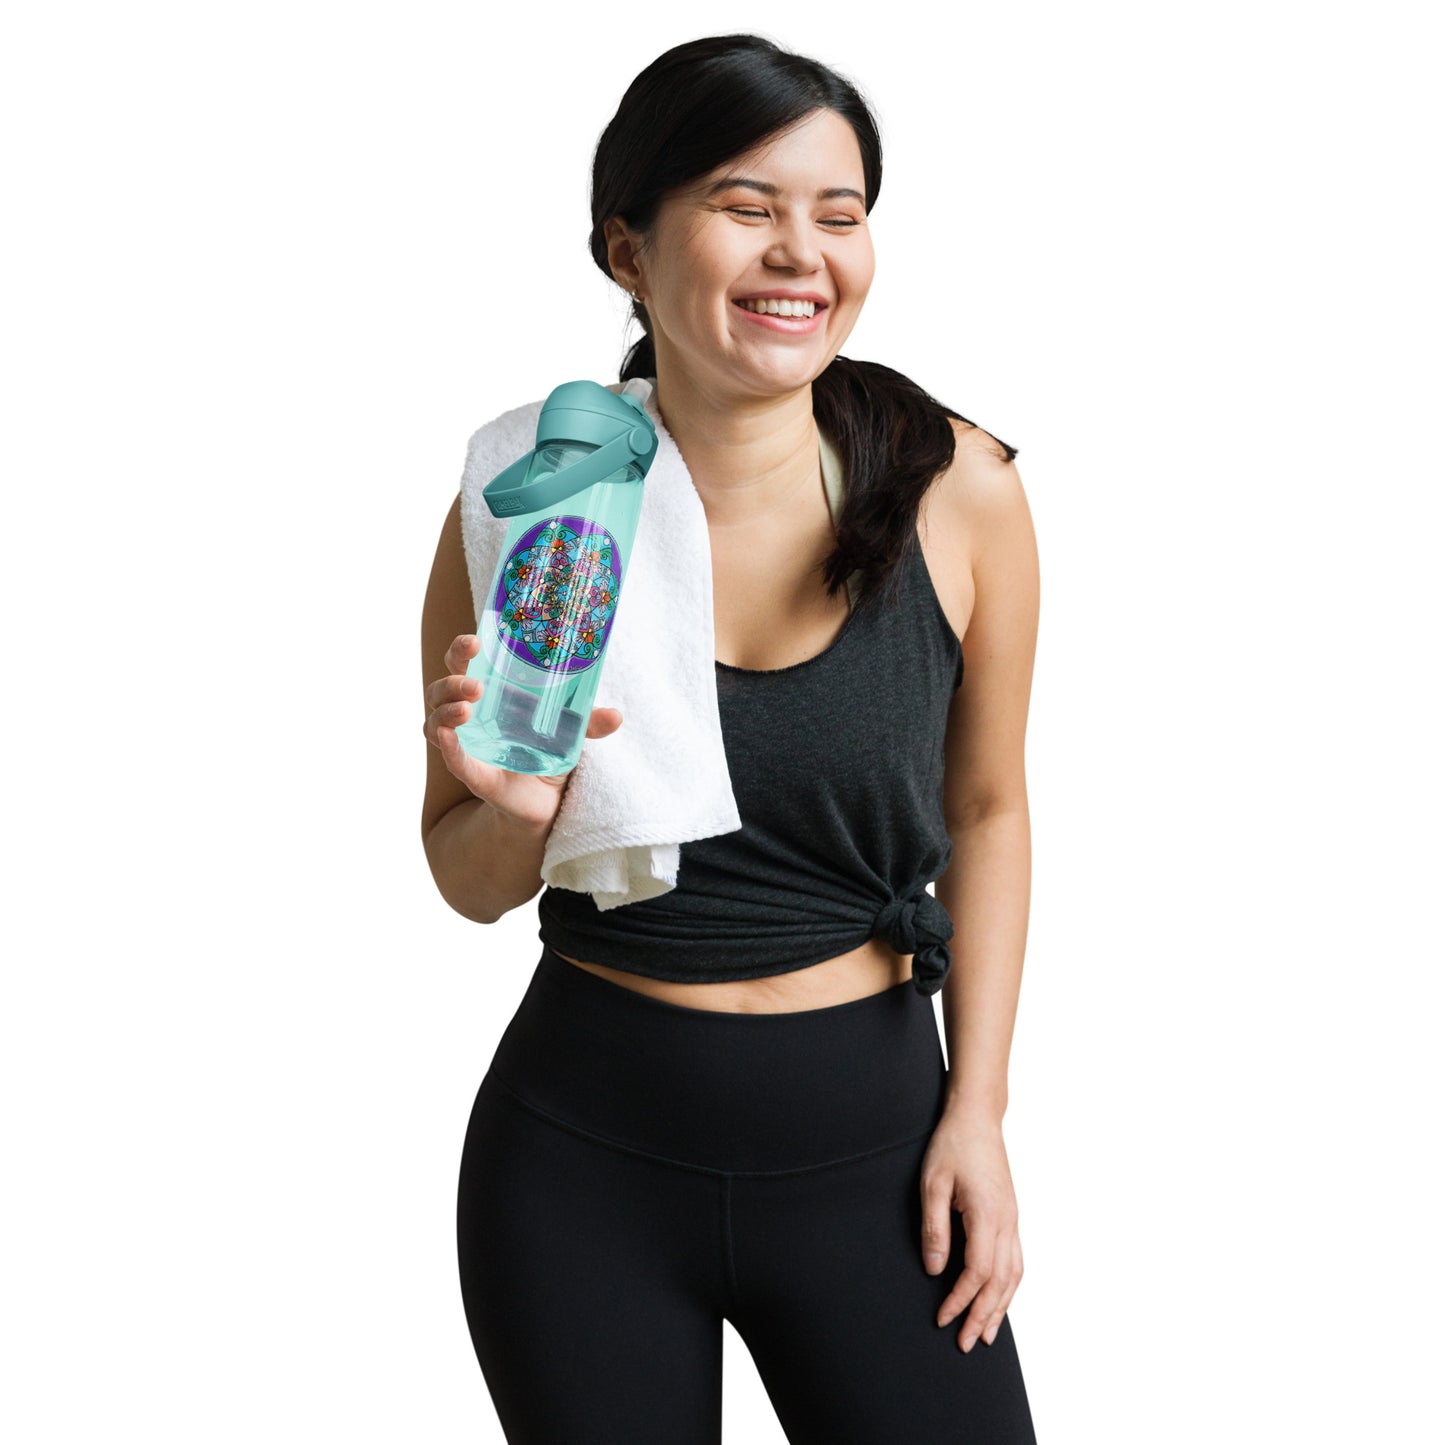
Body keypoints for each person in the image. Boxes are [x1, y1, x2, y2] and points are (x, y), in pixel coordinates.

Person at [421, 34, 1040, 1445]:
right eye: (746, 207)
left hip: (878, 1152)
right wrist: (517, 812)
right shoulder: (527, 509)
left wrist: (980, 1113)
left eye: (838, 213)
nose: (800, 254)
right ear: (627, 250)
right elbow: (463, 879)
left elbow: (990, 809)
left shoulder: (961, 492)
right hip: (580, 1160)